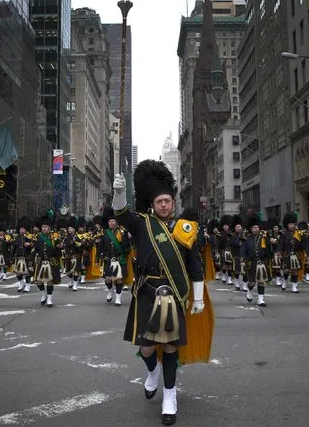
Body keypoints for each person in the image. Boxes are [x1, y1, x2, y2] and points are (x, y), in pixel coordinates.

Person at [112, 159, 213, 426]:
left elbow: (194, 266)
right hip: (146, 292)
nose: (164, 205)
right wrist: (120, 194)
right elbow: (121, 215)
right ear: (152, 203)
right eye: (159, 202)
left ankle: (170, 395)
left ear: (173, 202)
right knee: (146, 349)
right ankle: (153, 371)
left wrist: (199, 298)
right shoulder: (142, 223)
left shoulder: (185, 229)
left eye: (168, 200)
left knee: (169, 346)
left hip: (173, 295)